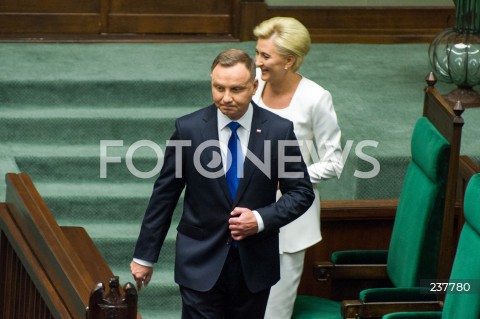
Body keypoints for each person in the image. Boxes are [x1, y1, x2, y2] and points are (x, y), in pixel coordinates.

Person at [130, 49, 315, 319]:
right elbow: (165, 195)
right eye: (219, 88)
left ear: (254, 86)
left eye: (236, 89)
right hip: (199, 261)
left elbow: (300, 192)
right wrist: (145, 256)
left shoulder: (279, 131)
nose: (226, 98)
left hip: (253, 265)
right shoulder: (189, 129)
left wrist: (260, 219)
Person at [253, 17, 344, 318]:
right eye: (257, 52)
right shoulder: (251, 84)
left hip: (289, 220)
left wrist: (288, 177)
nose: (258, 61)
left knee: (272, 313)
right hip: (244, 212)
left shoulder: (316, 98)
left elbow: (334, 163)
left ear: (289, 60)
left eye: (266, 56)